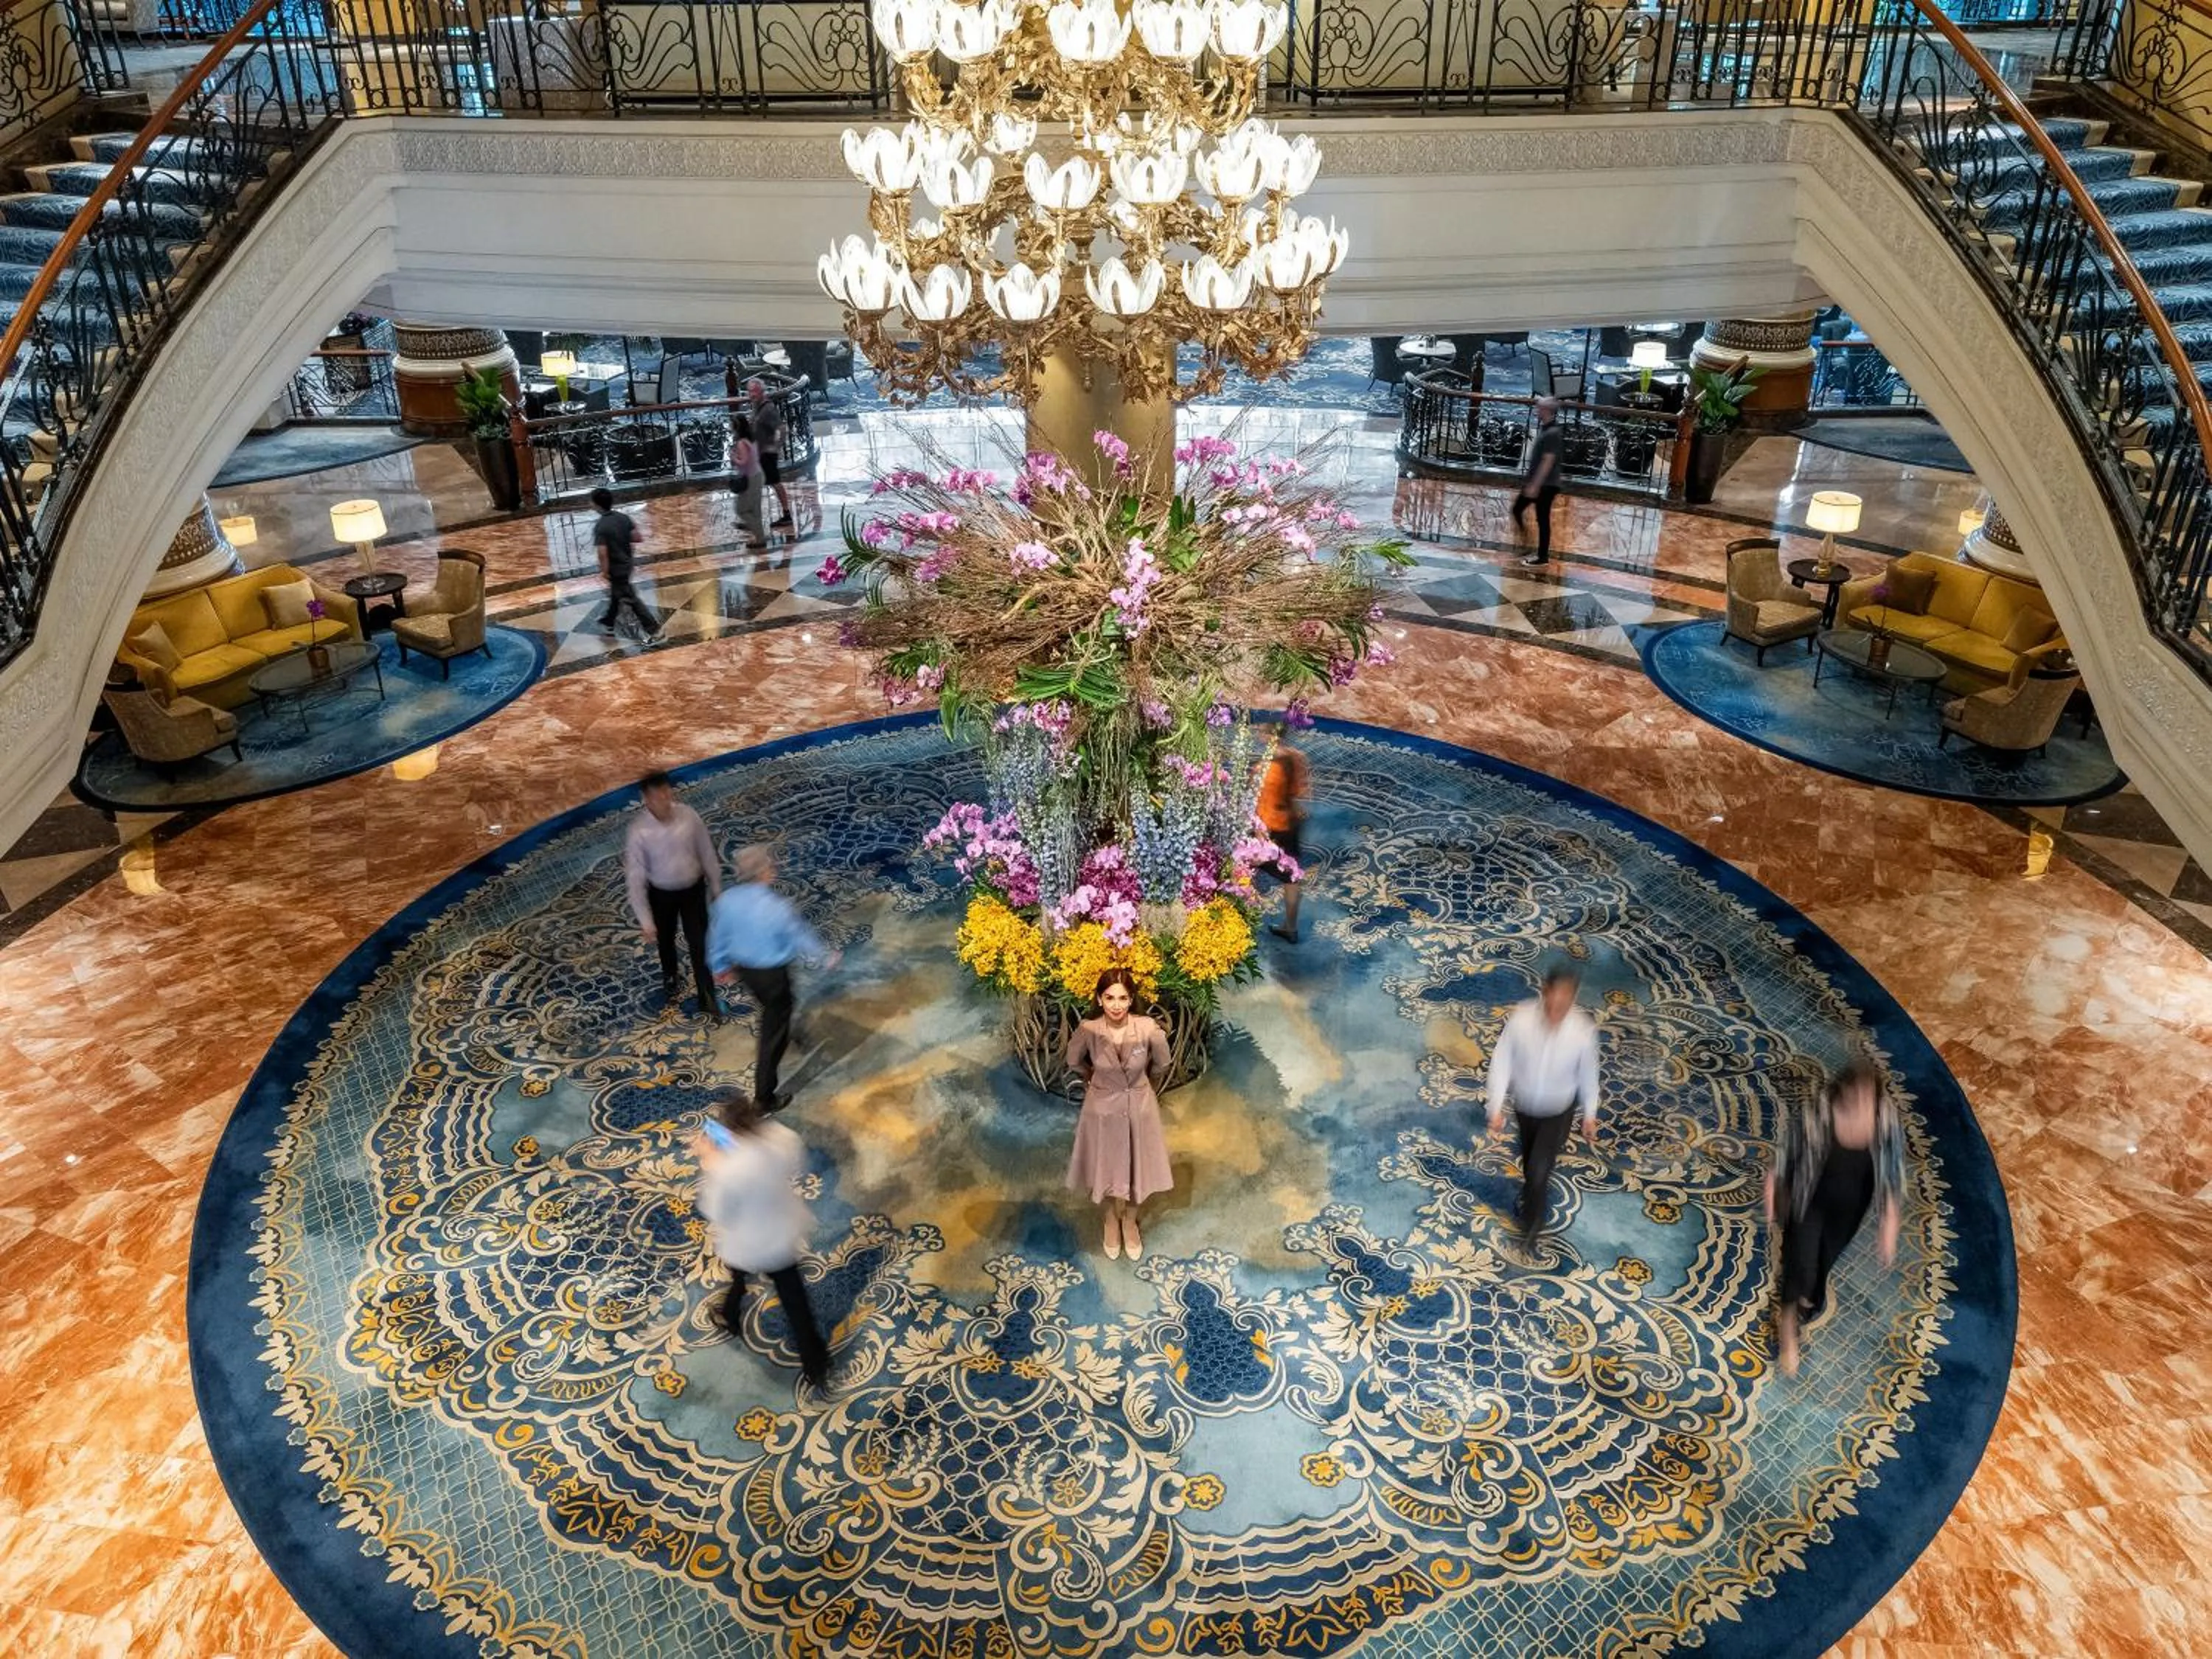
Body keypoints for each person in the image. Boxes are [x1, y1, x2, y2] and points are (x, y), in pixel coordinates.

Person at [1764, 1057, 1905, 1377]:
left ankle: (1805, 1298)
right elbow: (1787, 1150)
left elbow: (1892, 1174)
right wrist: (1772, 1185)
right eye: (1856, 1097)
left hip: (1850, 1207)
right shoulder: (1820, 1111)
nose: (1862, 1104)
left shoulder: (1886, 1121)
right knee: (1800, 1262)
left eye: (1869, 1099)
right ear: (1843, 1093)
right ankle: (1788, 1330)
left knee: (1824, 1260)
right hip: (1808, 1199)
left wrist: (1889, 1224)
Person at [693, 1087, 831, 1388]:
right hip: (781, 1232)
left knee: (739, 1275)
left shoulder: (728, 1169)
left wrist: (709, 1160)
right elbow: (799, 1164)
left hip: (749, 1241)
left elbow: (718, 1211)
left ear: (731, 1131)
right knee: (794, 1300)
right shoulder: (779, 1136)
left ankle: (729, 1316)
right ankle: (816, 1362)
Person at [708, 844, 841, 1110]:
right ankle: (764, 1098)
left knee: (780, 1006)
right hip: (773, 977)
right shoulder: (777, 907)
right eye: (770, 865)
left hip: (745, 972)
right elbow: (800, 936)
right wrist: (825, 957)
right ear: (763, 873)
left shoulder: (726, 901)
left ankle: (789, 1029)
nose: (774, 868)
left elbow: (717, 936)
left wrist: (719, 965)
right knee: (773, 1030)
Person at [1485, 964, 1600, 1245]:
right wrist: (1495, 1106)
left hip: (1558, 1112)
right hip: (1525, 1108)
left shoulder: (1582, 1031)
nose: (1558, 1010)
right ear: (1545, 992)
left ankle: (1531, 1227)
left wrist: (1590, 1114)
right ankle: (1532, 1194)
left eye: (1566, 1003)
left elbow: (1589, 1074)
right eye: (1555, 1001)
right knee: (1529, 1164)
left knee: (1539, 1170)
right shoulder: (1521, 1019)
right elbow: (1502, 1061)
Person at [1065, 967, 1172, 1261]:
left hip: (1140, 1107)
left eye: (1123, 998)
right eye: (1110, 997)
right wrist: (1091, 1077)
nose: (1116, 1005)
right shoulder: (1089, 1030)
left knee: (1139, 1166)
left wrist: (1146, 1084)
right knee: (1103, 1166)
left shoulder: (1147, 1028)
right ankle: (1111, 1219)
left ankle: (1130, 1221)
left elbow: (1162, 1063)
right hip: (1101, 1110)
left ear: (1132, 999)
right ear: (1099, 999)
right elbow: (1073, 1061)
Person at [624, 770, 720, 1018]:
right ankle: (670, 976)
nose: (665, 801)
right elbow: (635, 877)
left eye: (667, 793)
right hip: (661, 895)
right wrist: (645, 920)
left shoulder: (689, 816)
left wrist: (716, 886)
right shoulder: (639, 831)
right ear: (647, 800)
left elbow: (706, 851)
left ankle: (707, 993)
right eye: (658, 797)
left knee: (699, 943)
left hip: (693, 890)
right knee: (666, 941)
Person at [1258, 731, 1310, 943]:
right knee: (1291, 877)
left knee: (1241, 868)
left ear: (1268, 736)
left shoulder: (1264, 768)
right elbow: (1299, 792)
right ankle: (1291, 927)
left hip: (1269, 827)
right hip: (1291, 823)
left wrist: (1258, 833)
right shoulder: (1297, 758)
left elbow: (1259, 802)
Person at [590, 487, 658, 636]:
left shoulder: (601, 526)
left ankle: (655, 631)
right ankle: (608, 622)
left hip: (616, 569)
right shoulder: (623, 518)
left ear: (596, 505)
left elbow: (603, 553)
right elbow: (637, 538)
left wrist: (604, 571)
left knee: (631, 598)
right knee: (617, 594)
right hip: (628, 564)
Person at [1511, 397, 1563, 568]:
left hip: (1545, 485)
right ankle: (1528, 544)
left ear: (1547, 410)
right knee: (1519, 510)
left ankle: (1542, 556)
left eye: (1540, 408)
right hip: (1540, 484)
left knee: (1542, 519)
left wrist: (1535, 485)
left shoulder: (1552, 433)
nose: (1537, 410)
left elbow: (1548, 461)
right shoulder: (1547, 430)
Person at [745, 378, 796, 529]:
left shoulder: (768, 409)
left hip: (767, 454)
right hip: (759, 453)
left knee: (775, 483)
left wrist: (776, 447)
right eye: (750, 391)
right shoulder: (757, 407)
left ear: (761, 391)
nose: (751, 395)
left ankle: (786, 515)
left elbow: (782, 429)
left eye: (754, 391)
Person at [729, 413, 769, 552]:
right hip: (758, 474)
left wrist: (734, 458)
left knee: (741, 510)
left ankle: (760, 537)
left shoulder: (741, 443)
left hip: (751, 478)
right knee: (755, 509)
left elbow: (744, 461)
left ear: (736, 426)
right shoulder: (751, 439)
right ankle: (759, 537)